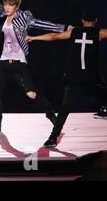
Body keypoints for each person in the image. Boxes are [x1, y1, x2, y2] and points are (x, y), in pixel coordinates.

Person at [0, 0, 71, 132]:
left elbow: (41, 24)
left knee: (31, 94)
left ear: (17, 6)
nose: (7, 7)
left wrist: (63, 28)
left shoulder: (24, 17)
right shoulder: (3, 15)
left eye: (11, 5)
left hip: (19, 62)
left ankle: (53, 117)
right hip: (3, 60)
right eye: (6, 4)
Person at [26, 10, 107, 147]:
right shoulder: (99, 33)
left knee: (64, 110)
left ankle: (52, 138)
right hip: (92, 79)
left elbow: (53, 36)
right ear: (96, 21)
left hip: (74, 79)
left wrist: (33, 38)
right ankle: (104, 107)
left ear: (82, 21)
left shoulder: (73, 32)